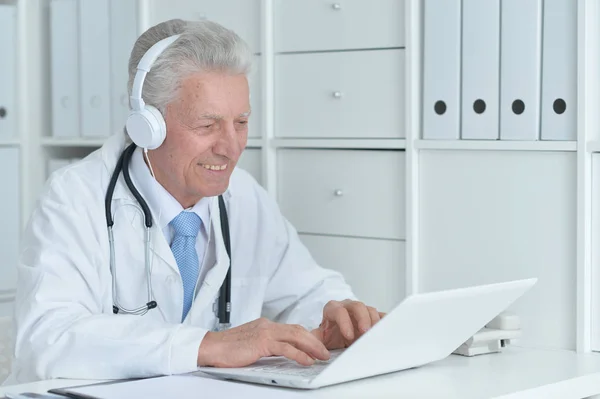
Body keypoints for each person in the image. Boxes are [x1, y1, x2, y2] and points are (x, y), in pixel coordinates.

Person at [6, 19, 384, 384]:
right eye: (207, 125)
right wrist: (206, 345)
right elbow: (46, 339)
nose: (231, 147)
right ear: (148, 125)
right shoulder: (74, 198)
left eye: (240, 122)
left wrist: (337, 313)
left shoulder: (244, 196)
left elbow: (305, 289)